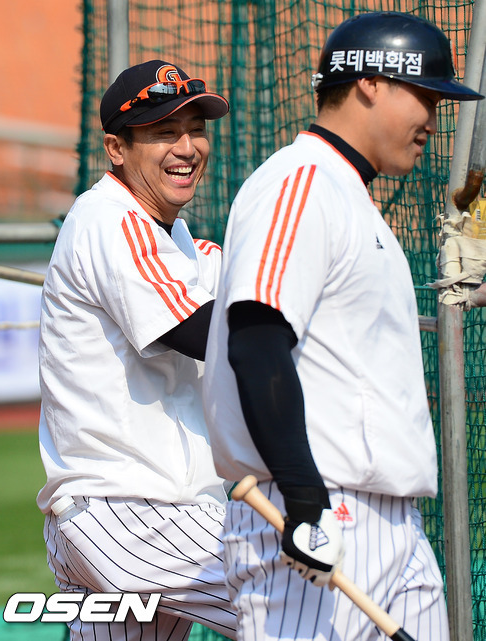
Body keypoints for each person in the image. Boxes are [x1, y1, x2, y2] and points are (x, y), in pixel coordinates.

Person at [203, 12, 483, 641]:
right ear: (371, 83)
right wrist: (305, 503)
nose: (433, 121)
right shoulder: (301, 181)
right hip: (320, 513)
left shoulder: (350, 196)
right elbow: (257, 336)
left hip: (392, 525)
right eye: (426, 96)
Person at [37, 59, 237, 641]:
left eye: (195, 129)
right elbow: (201, 332)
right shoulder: (112, 219)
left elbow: (244, 292)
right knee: (304, 604)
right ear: (116, 149)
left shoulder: (172, 236)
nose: (187, 147)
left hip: (118, 514)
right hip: (135, 512)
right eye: (163, 132)